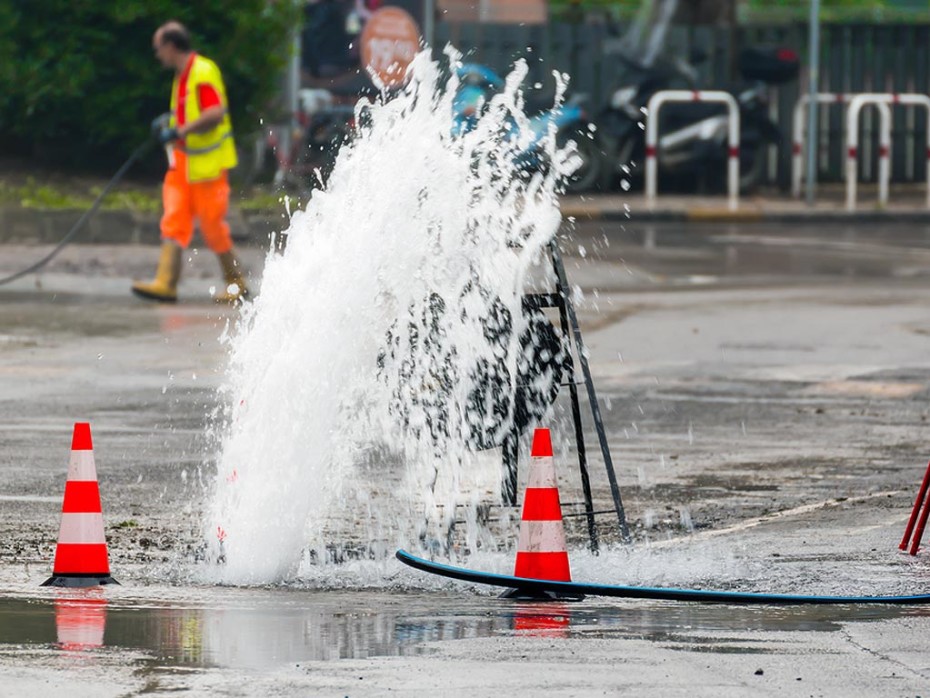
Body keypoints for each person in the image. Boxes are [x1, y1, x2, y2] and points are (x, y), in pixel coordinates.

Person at [132, 21, 248, 304]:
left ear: (171, 46)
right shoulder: (182, 75)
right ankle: (165, 283)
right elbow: (188, 113)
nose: (157, 54)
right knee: (173, 220)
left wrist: (179, 131)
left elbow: (214, 114)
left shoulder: (202, 71)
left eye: (158, 48)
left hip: (207, 167)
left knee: (212, 227)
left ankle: (236, 283)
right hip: (183, 165)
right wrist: (170, 123)